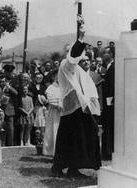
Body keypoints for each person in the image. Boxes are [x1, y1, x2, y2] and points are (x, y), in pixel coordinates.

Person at [51, 19, 101, 177]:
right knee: (71, 137)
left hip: (79, 106)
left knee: (79, 136)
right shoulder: (67, 63)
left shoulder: (77, 68)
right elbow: (74, 55)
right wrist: (81, 36)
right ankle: (63, 167)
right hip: (72, 106)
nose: (81, 56)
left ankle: (72, 167)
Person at [43, 69, 61, 156]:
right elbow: (51, 101)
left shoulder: (65, 87)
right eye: (57, 75)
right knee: (54, 130)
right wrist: (59, 106)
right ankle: (53, 152)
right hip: (54, 113)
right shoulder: (50, 88)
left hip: (64, 113)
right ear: (54, 77)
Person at [101, 53, 115, 160]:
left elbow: (111, 87)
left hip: (110, 103)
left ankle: (108, 152)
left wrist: (109, 104)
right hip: (109, 102)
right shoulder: (109, 68)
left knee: (109, 126)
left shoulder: (113, 68)